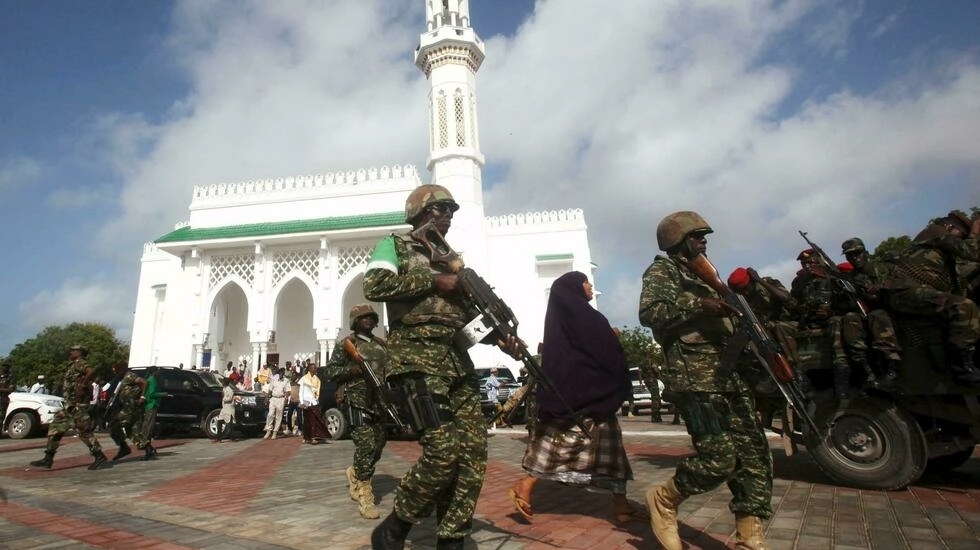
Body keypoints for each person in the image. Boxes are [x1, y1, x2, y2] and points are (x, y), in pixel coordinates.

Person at [364, 184, 520, 550]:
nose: (448, 217)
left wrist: (501, 340)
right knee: (442, 451)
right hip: (415, 362)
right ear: (420, 213)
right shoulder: (397, 246)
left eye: (451, 211)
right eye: (441, 210)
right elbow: (375, 283)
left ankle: (452, 537)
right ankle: (395, 526)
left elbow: (467, 323)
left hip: (456, 364)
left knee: (472, 452)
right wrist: (434, 280)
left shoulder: (455, 262)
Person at [638, 211, 772, 550]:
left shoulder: (707, 278)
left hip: (729, 377)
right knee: (719, 460)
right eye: (697, 236)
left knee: (755, 457)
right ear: (677, 240)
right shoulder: (663, 271)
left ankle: (749, 538)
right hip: (695, 380)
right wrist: (699, 304)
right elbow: (650, 312)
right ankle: (664, 500)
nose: (704, 241)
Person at [508, 271, 637, 525]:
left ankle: (621, 505)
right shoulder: (582, 318)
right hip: (580, 398)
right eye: (586, 281)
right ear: (574, 288)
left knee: (611, 451)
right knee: (560, 448)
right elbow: (595, 350)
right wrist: (611, 339)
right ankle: (525, 484)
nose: (590, 285)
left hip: (595, 397)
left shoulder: (573, 319)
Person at [882, 211, 980, 384]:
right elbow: (972, 252)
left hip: (919, 292)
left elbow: (962, 279)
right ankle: (962, 370)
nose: (962, 239)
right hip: (904, 292)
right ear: (950, 227)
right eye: (961, 234)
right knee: (963, 306)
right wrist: (974, 232)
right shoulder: (934, 231)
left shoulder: (945, 254)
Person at [326, 304, 390, 520]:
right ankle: (365, 495)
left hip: (380, 402)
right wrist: (351, 370)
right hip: (357, 400)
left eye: (371, 318)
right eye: (363, 318)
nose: (368, 321)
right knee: (366, 445)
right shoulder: (347, 345)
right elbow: (332, 372)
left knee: (378, 445)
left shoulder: (381, 344)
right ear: (355, 321)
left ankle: (355, 471)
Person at [791, 248, 877, 398]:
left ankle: (843, 377)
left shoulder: (833, 277)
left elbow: (847, 302)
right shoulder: (800, 282)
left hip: (833, 319)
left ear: (818, 261)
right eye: (804, 264)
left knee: (836, 323)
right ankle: (798, 374)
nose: (807, 266)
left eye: (810, 262)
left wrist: (830, 312)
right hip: (809, 321)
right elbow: (793, 304)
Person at [29, 345, 111, 470]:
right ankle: (48, 458)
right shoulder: (73, 365)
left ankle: (100, 458)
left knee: (84, 432)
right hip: (69, 405)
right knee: (55, 428)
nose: (70, 352)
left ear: (79, 352)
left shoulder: (80, 363)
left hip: (77, 405)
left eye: (73, 350)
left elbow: (91, 372)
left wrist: (83, 386)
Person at [840, 237, 901, 383]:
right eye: (850, 255)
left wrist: (882, 288)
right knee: (850, 318)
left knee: (877, 315)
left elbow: (904, 281)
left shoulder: (884, 268)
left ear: (866, 253)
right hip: (865, 314)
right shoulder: (849, 279)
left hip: (891, 310)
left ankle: (892, 365)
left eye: (858, 253)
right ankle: (865, 367)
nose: (855, 257)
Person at [106, 361, 147, 461]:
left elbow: (144, 382)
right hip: (126, 406)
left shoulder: (129, 375)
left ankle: (124, 447)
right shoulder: (121, 378)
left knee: (114, 425)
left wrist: (142, 397)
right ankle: (147, 448)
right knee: (132, 430)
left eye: (117, 370)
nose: (116, 372)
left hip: (130, 407)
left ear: (122, 369)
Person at [299, 361, 329, 444]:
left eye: (315, 368)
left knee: (314, 419)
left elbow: (317, 392)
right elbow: (301, 391)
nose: (315, 369)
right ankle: (306, 436)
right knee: (306, 421)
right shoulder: (304, 378)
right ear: (309, 369)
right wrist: (302, 402)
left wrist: (316, 399)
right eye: (313, 368)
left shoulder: (317, 379)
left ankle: (313, 437)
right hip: (305, 401)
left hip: (314, 402)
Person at [140, 366, 166, 460]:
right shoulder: (152, 380)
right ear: (154, 372)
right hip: (151, 405)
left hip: (150, 405)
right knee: (148, 428)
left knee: (148, 426)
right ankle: (147, 448)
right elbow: (151, 394)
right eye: (157, 371)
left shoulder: (151, 379)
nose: (158, 372)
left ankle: (149, 448)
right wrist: (163, 394)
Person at [262, 367, 290, 440]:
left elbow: (288, 391)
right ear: (278, 373)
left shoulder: (286, 381)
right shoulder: (274, 379)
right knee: (270, 414)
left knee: (279, 416)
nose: (281, 374)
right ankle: (268, 430)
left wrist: (286, 398)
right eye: (280, 373)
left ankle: (275, 432)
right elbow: (270, 390)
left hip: (281, 399)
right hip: (273, 398)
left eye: (282, 373)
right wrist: (267, 398)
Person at [215, 377, 237, 442]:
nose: (222, 383)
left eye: (223, 382)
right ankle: (219, 438)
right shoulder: (224, 389)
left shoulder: (230, 390)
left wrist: (223, 398)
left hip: (229, 408)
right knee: (219, 421)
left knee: (230, 423)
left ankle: (232, 437)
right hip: (224, 408)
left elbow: (229, 398)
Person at [0, 361, 12, 433]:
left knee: (1, 416)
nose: (4, 368)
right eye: (3, 366)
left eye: (6, 367)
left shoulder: (10, 378)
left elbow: (10, 389)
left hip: (4, 399)